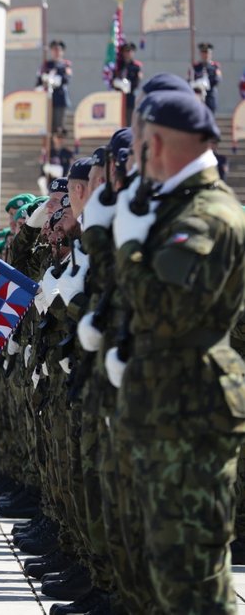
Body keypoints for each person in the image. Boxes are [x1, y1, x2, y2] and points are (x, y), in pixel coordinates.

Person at [112, 89, 245, 613]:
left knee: (193, 574)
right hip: (172, 408)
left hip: (191, 413)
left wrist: (127, 246)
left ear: (157, 141)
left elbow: (164, 313)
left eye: (140, 144)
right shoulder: (180, 207)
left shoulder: (206, 216)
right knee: (173, 570)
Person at [37, 40, 72, 133]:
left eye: (59, 50)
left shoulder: (65, 65)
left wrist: (53, 80)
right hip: (47, 98)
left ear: (62, 52)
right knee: (48, 127)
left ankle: (57, 146)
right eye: (54, 50)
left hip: (60, 98)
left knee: (58, 127)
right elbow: (39, 80)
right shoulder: (46, 65)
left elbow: (66, 79)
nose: (56, 52)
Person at [112, 42, 143, 125]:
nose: (128, 53)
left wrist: (127, 85)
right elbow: (113, 80)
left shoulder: (136, 66)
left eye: (130, 51)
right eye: (126, 51)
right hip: (118, 97)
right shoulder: (118, 66)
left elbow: (137, 82)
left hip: (130, 97)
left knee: (129, 120)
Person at [189, 41, 222, 114]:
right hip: (198, 96)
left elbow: (217, 79)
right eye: (203, 53)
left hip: (210, 95)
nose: (205, 55)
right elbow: (189, 79)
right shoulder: (195, 67)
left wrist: (206, 85)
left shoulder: (215, 66)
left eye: (207, 53)